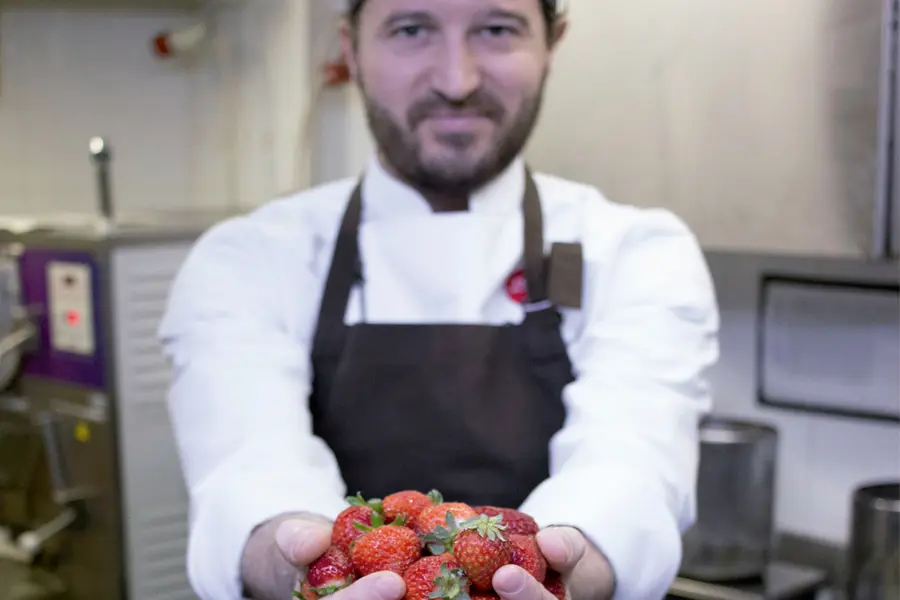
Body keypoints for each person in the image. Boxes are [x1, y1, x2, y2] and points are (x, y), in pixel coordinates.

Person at [158, 0, 720, 599]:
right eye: (411, 29)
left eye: (498, 29)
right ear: (351, 50)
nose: (457, 81)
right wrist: (300, 567)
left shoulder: (637, 251)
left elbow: (631, 464)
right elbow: (247, 464)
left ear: (552, 44)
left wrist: (560, 575)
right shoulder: (250, 256)